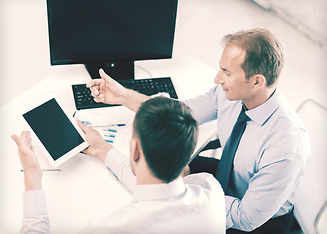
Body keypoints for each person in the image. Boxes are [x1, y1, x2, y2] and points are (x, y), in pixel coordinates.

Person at [87, 28, 311, 233]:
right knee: (158, 167)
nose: (217, 79)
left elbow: (246, 218)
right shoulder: (232, 96)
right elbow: (176, 113)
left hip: (259, 223)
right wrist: (124, 96)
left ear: (256, 82)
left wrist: (179, 194)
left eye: (226, 72)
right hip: (227, 180)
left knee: (156, 183)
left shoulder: (287, 146)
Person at [12, 97, 226, 234]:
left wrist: (31, 176)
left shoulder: (114, 227)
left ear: (134, 150)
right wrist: (101, 149)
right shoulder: (210, 189)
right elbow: (158, 189)